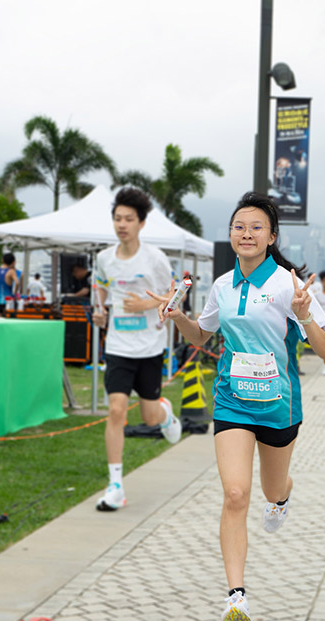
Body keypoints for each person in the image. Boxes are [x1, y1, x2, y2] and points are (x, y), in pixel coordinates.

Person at [146, 191, 325, 621]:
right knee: (234, 494)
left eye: (255, 228)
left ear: (271, 237)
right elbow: (202, 336)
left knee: (270, 488)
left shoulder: (289, 286)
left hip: (279, 405)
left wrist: (305, 316)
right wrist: (176, 315)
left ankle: (283, 496)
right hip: (232, 400)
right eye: (239, 227)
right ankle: (236, 598)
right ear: (231, 234)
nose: (246, 234)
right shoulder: (223, 286)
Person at [90, 187, 182, 512]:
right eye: (118, 218)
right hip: (118, 347)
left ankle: (165, 413)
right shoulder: (104, 258)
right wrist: (100, 311)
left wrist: (145, 304)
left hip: (150, 347)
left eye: (129, 219)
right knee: (116, 411)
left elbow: (176, 294)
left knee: (148, 416)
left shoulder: (155, 258)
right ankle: (115, 486)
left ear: (141, 223)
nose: (122, 224)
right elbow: (101, 287)